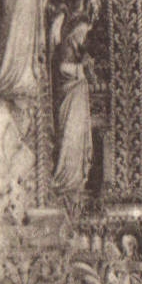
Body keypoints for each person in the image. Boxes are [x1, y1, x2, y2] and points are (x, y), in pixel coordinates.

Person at [52, 17, 94, 195]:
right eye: (81, 33)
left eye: (85, 34)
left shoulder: (78, 52)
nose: (83, 38)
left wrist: (87, 68)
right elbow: (62, 68)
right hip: (69, 99)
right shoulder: (67, 47)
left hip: (79, 103)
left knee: (77, 136)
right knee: (69, 135)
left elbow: (89, 77)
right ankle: (64, 176)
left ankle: (75, 179)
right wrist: (80, 69)